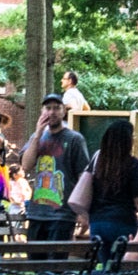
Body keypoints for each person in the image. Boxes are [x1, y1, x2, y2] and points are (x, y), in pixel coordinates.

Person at [16, 91, 92, 248]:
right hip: (37, 213)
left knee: (56, 264)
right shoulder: (36, 138)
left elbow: (83, 177)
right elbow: (26, 165)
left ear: (63, 111)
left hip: (63, 214)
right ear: (42, 112)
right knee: (35, 263)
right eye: (48, 108)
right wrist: (37, 135)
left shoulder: (74, 139)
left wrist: (83, 212)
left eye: (56, 108)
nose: (52, 112)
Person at [73, 119, 138, 251]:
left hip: (98, 222)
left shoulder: (98, 163)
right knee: (121, 266)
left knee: (104, 266)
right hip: (123, 222)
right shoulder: (133, 164)